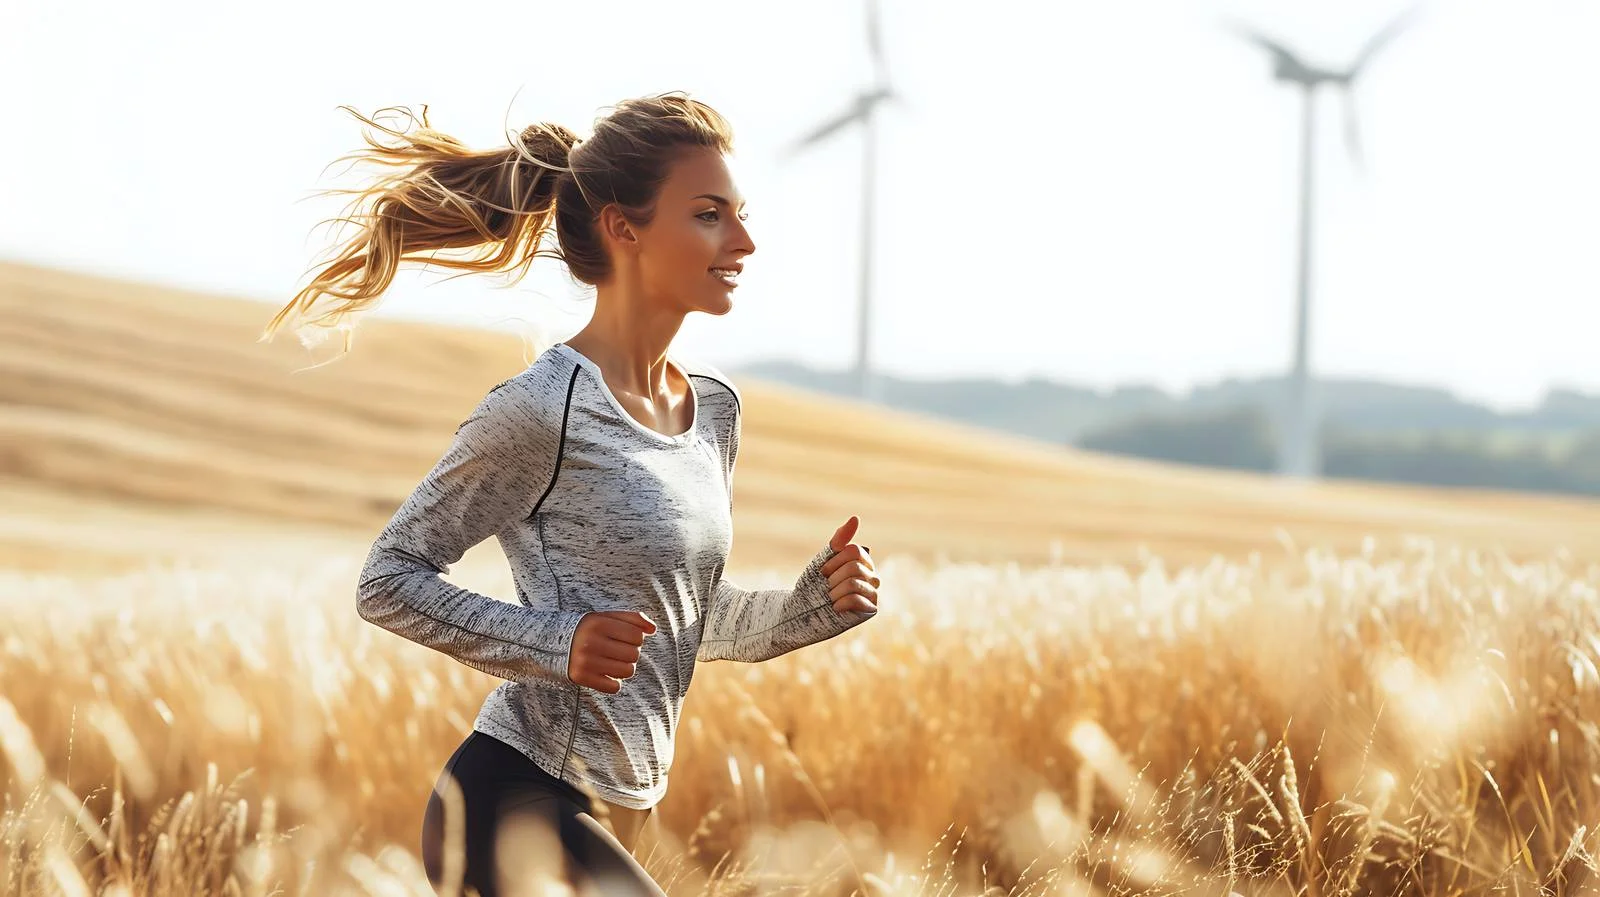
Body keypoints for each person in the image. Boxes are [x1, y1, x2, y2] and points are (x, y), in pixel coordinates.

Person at [259, 92, 883, 896]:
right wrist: (558, 641)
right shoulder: (541, 406)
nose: (744, 241)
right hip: (510, 798)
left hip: (623, 809)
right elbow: (388, 578)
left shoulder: (715, 412)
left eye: (739, 214)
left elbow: (680, 619)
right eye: (709, 215)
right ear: (625, 229)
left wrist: (809, 610)